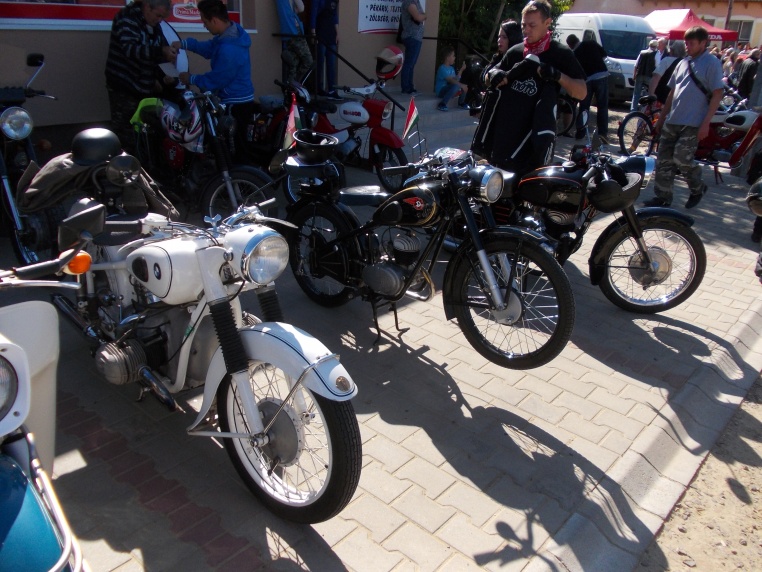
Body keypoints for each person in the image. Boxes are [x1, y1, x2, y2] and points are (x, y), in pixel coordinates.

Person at [471, 0, 586, 176]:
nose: (526, 30)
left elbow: (581, 92)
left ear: (547, 23)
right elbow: (488, 78)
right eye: (524, 25)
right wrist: (493, 75)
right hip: (502, 139)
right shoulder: (516, 51)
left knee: (529, 189)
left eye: (532, 25)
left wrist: (558, 76)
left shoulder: (561, 54)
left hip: (534, 142)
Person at [642, 26, 724, 209]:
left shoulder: (711, 63)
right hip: (673, 119)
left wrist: (706, 123)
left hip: (693, 122)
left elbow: (717, 94)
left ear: (703, 43)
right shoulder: (682, 63)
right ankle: (663, 197)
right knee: (663, 160)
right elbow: (672, 93)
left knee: (682, 158)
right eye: (686, 43)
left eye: (691, 43)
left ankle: (697, 187)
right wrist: (661, 118)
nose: (687, 46)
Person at [173, 0, 255, 161]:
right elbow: (209, 48)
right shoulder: (230, 34)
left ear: (215, 20)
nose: (204, 26)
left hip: (235, 104)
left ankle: (239, 175)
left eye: (205, 22)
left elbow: (217, 79)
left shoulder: (229, 49)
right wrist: (185, 44)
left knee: (234, 150)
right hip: (235, 100)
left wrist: (191, 78)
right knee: (231, 147)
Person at [104, 0, 177, 153]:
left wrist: (164, 74)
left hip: (145, 87)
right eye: (158, 15)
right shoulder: (126, 19)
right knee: (126, 132)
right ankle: (124, 164)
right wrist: (161, 51)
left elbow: (156, 52)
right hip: (124, 85)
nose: (159, 20)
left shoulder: (154, 24)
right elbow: (131, 50)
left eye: (163, 17)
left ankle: (145, 162)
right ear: (147, 6)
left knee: (146, 132)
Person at [566, 34, 609, 141]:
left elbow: (575, 70)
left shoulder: (575, 54)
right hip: (601, 75)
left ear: (570, 45)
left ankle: (581, 132)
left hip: (587, 80)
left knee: (584, 106)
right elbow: (604, 55)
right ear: (578, 39)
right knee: (602, 106)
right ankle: (602, 133)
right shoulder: (591, 43)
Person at [275, 0, 313, 84]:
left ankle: (291, 82)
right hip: (295, 30)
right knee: (308, 61)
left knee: (295, 61)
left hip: (286, 31)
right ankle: (295, 82)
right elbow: (301, 8)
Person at [310, 0, 340, 99]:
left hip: (331, 35)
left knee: (331, 64)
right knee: (320, 63)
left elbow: (335, 16)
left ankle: (332, 90)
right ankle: (318, 89)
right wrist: (313, 34)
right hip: (320, 33)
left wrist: (337, 33)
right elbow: (313, 15)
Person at [399, 0, 426, 95]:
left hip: (416, 38)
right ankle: (406, 88)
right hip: (411, 36)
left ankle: (410, 87)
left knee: (411, 64)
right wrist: (424, 16)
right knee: (409, 63)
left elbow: (422, 15)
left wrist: (423, 16)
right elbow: (418, 17)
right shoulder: (409, 2)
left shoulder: (416, 2)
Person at [649, 40, 686, 105]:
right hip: (679, 99)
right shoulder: (687, 62)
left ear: (672, 50)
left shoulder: (666, 60)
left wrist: (651, 94)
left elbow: (656, 77)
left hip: (662, 96)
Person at [435, 47, 469, 111]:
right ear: (448, 58)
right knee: (459, 85)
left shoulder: (451, 68)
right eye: (453, 56)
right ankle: (442, 104)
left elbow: (456, 80)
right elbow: (450, 80)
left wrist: (461, 70)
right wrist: (461, 85)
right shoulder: (442, 68)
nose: (454, 57)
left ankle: (461, 103)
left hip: (449, 89)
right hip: (440, 91)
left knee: (464, 86)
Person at [631, 39, 657, 111]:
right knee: (647, 94)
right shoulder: (656, 54)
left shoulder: (642, 52)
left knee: (636, 93)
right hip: (649, 75)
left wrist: (634, 74)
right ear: (656, 46)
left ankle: (633, 109)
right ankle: (643, 109)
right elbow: (657, 65)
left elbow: (636, 65)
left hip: (640, 74)